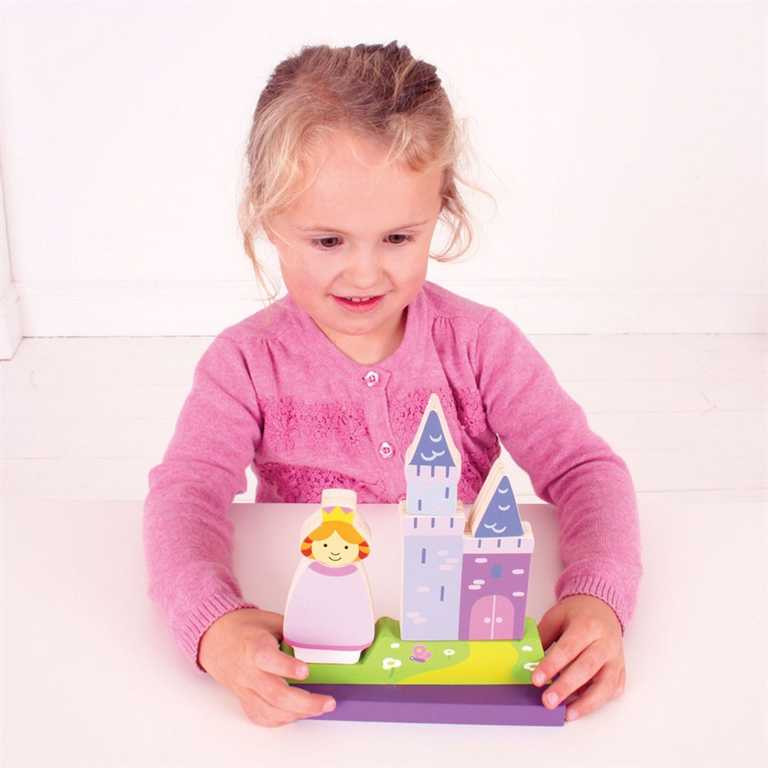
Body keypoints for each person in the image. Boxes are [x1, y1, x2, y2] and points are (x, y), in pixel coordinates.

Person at [143, 40, 642, 728]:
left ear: (441, 208)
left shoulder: (482, 344)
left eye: (399, 238)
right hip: (314, 653)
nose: (365, 274)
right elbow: (186, 494)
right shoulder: (244, 362)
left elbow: (585, 469)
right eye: (328, 241)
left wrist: (598, 596)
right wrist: (211, 624)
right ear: (268, 218)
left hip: (461, 649)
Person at [282, 492, 374, 664]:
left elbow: (360, 603)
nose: (335, 551)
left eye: (346, 547)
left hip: (350, 640)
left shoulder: (355, 573)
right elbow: (300, 599)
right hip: (305, 639)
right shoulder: (309, 570)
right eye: (325, 544)